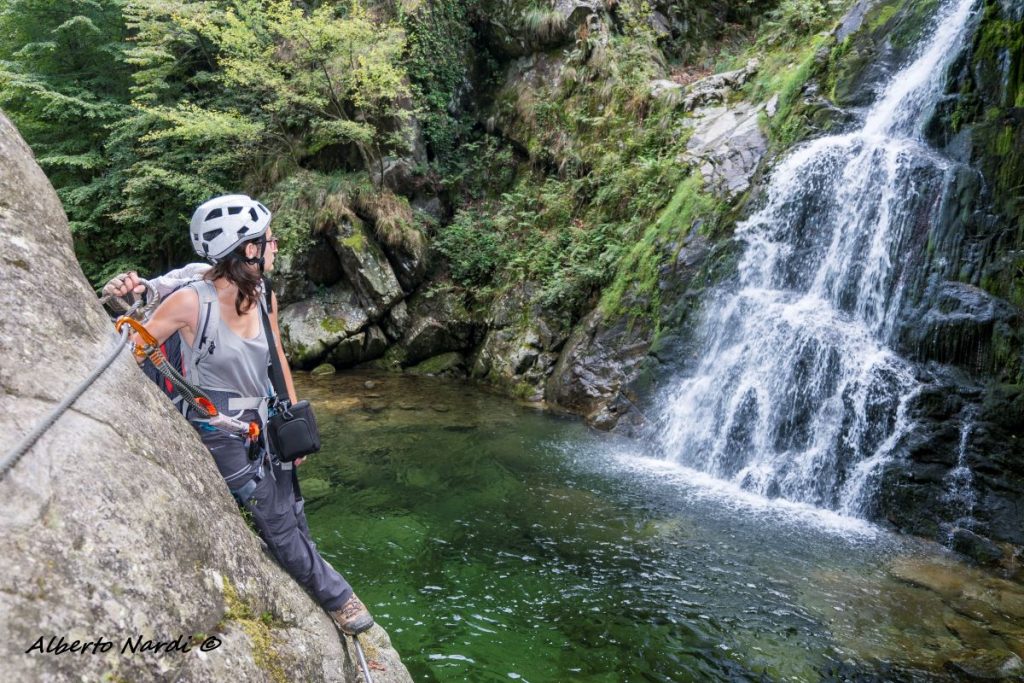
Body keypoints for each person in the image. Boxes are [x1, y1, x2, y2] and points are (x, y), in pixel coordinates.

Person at [115, 194, 373, 635]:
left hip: (264, 421)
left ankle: (312, 570)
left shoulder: (263, 294)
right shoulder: (190, 302)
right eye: (269, 239)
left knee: (294, 508)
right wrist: (126, 302)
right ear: (249, 249)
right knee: (274, 516)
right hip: (217, 429)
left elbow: (277, 357)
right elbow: (133, 350)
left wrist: (294, 422)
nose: (275, 245)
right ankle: (339, 599)